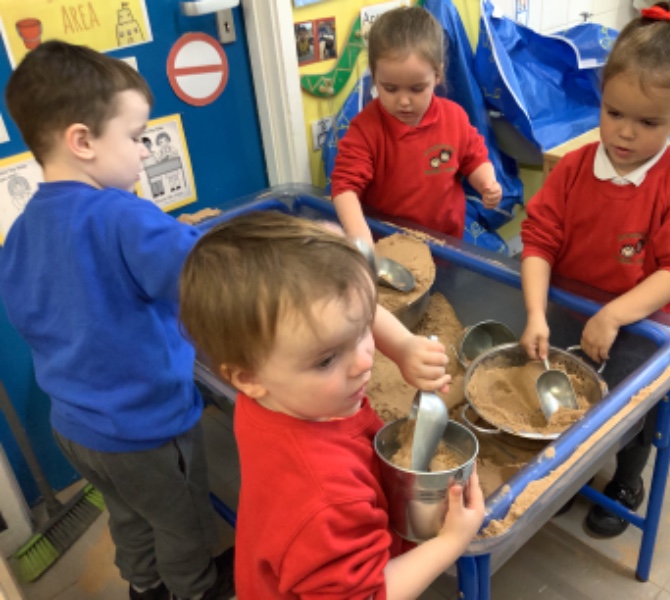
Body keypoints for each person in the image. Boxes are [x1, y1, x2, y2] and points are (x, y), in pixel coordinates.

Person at [0, 41, 236, 600]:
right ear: (82, 141)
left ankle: (144, 586)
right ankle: (195, 589)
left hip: (77, 429)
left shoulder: (22, 230)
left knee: (130, 514)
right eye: (135, 137)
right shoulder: (124, 216)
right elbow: (208, 279)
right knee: (181, 520)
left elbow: (41, 311)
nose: (144, 153)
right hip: (146, 427)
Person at [179, 211, 485, 600]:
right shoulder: (327, 498)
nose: (364, 363)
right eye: (326, 360)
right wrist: (451, 542)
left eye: (363, 332)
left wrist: (403, 346)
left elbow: (351, 309)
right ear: (247, 378)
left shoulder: (275, 392)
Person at [519, 1, 670, 538]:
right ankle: (574, 471)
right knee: (567, 397)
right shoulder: (573, 170)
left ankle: (627, 482)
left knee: (634, 414)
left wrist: (613, 315)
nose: (625, 134)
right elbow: (538, 240)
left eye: (648, 122)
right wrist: (535, 312)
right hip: (568, 312)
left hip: (642, 327)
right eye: (613, 114)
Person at [331, 5, 502, 244]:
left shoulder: (454, 117)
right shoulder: (366, 129)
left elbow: (474, 160)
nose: (404, 101)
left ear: (437, 75)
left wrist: (487, 183)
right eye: (390, 88)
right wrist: (360, 237)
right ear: (375, 77)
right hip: (390, 247)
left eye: (417, 88)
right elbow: (344, 188)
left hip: (446, 245)